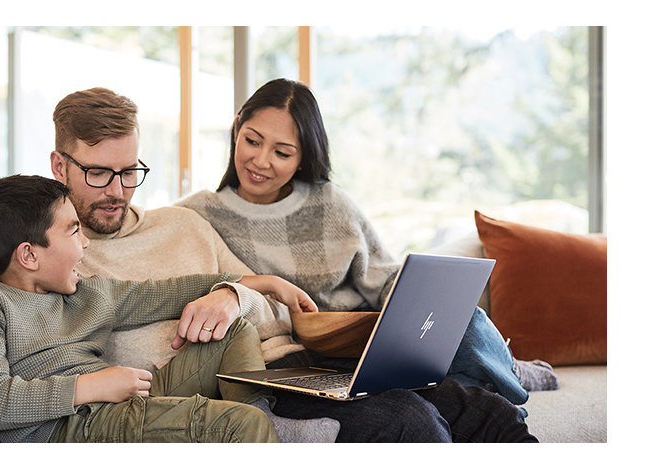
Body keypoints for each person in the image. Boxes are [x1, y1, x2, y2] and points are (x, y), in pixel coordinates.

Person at [47, 86, 537, 442]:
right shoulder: (42, 253)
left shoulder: (181, 224)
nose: (116, 190)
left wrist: (232, 294)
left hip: (294, 360)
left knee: (490, 415)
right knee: (411, 421)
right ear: (58, 166)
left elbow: (271, 302)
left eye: (129, 172)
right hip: (239, 388)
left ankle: (509, 373)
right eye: (97, 173)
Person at [175, 78, 560, 403]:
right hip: (306, 357)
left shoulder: (330, 203)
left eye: (282, 152)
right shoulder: (199, 215)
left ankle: (507, 372)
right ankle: (497, 372)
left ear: (303, 156)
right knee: (443, 395)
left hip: (369, 338)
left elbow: (385, 276)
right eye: (252, 141)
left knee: (467, 320)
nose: (260, 161)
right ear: (237, 127)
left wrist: (411, 312)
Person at [0, 174, 339, 443]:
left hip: (129, 401)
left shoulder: (87, 293)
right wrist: (92, 385)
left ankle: (243, 431)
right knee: (244, 424)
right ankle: (249, 430)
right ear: (29, 255)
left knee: (233, 329)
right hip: (67, 429)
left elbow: (173, 291)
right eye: (72, 230)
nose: (85, 243)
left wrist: (265, 284)